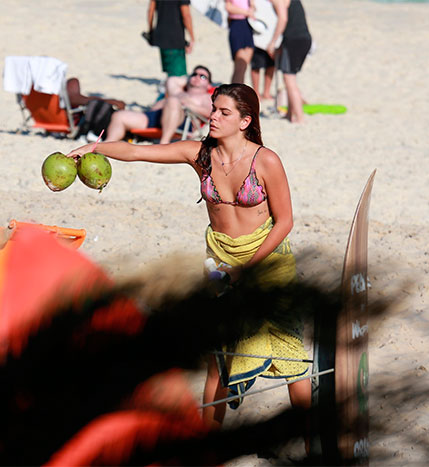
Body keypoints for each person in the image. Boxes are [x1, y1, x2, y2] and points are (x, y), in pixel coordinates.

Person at [66, 83, 311, 441]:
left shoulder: (266, 160)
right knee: (218, 357)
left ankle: (310, 447)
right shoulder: (199, 154)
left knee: (291, 358)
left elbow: (285, 221)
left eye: (223, 112)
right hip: (220, 262)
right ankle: (208, 448)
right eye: (213, 109)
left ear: (245, 121)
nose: (213, 116)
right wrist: (94, 147)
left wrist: (250, 268)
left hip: (267, 260)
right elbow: (139, 154)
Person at [104, 65, 213, 144]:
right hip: (156, 117)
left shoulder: (206, 97)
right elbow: (171, 80)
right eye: (194, 74)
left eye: (203, 76)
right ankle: (107, 145)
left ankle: (163, 143)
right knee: (119, 116)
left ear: (209, 84)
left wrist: (188, 104)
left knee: (172, 101)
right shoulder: (178, 92)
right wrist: (188, 82)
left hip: (182, 121)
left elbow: (209, 112)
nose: (197, 77)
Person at [267, 0, 312, 123]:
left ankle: (299, 117)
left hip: (294, 41)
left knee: (289, 79)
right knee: (290, 77)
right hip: (303, 39)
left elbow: (283, 19)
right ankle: (289, 114)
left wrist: (273, 42)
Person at [147, 0, 195, 92]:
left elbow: (150, 11)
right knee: (178, 76)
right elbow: (186, 16)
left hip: (160, 35)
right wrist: (192, 37)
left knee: (169, 71)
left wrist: (150, 31)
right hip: (175, 37)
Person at [225, 0, 255, 84]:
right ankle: (235, 92)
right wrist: (246, 12)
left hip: (248, 25)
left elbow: (253, 7)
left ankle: (238, 89)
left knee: (244, 65)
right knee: (239, 66)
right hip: (237, 24)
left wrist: (252, 7)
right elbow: (228, 7)